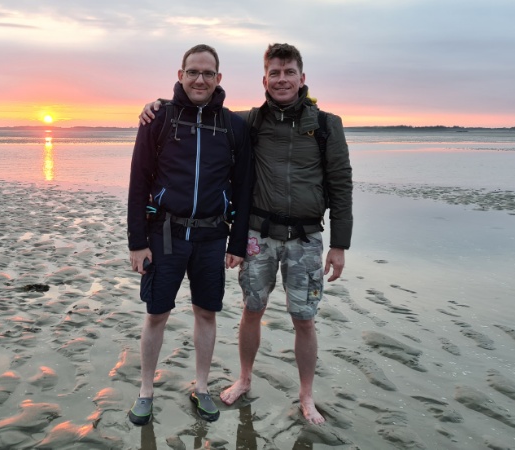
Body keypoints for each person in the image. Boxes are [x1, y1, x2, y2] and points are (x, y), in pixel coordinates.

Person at [139, 43, 353, 425]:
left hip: (306, 237)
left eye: (289, 73)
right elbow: (199, 106)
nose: (282, 80)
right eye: (275, 73)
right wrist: (159, 105)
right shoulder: (250, 121)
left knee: (304, 318)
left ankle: (306, 397)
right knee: (251, 310)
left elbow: (341, 184)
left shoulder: (325, 125)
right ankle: (243, 379)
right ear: (264, 80)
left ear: (302, 78)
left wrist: (340, 244)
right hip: (260, 234)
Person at [127, 44, 253, 425]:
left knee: (206, 312)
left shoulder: (233, 126)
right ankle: (146, 391)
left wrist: (237, 243)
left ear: (218, 78)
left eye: (208, 73)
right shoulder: (159, 119)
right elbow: (138, 182)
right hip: (165, 234)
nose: (200, 79)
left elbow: (243, 188)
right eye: (193, 72)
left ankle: (201, 387)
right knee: (157, 314)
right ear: (180, 75)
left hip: (212, 236)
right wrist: (137, 242)